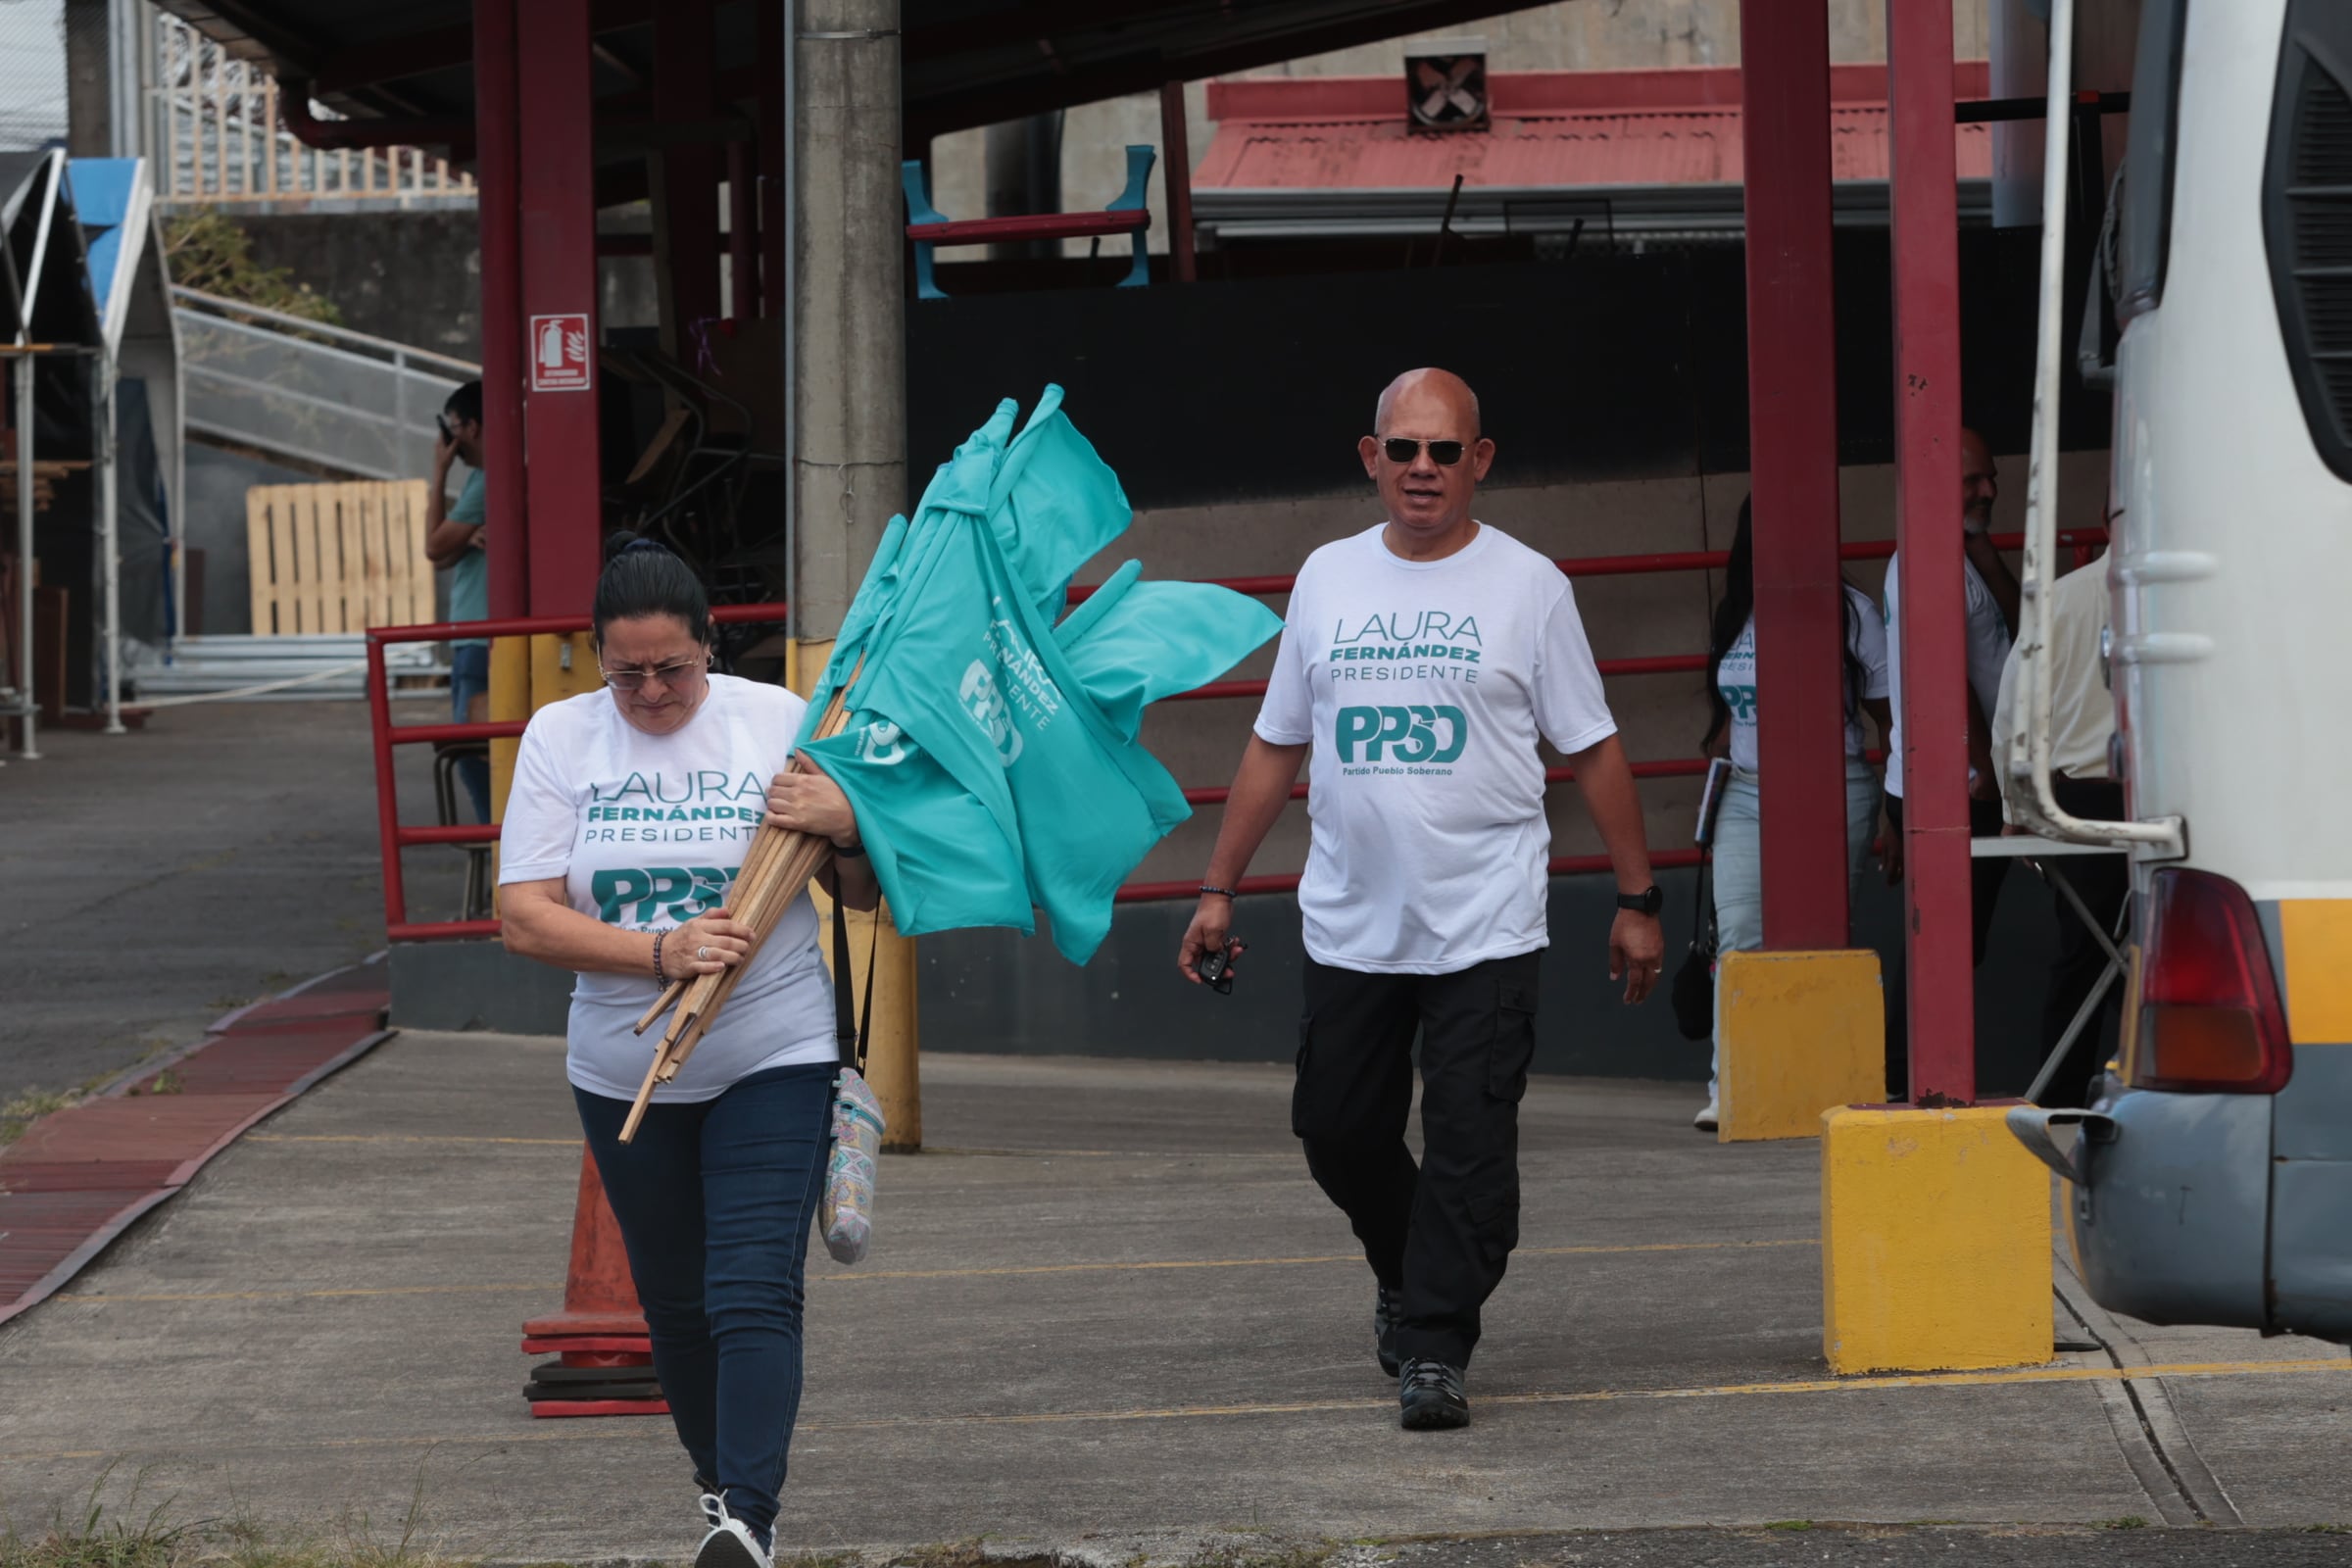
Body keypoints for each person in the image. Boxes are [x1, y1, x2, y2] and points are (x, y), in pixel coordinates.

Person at [1177, 368, 1664, 1434]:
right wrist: (1219, 886)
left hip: (1484, 920)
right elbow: (1274, 744)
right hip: (1352, 918)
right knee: (1336, 1128)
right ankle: (1409, 1264)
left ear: (1480, 460)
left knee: (1469, 1145)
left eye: (1446, 450)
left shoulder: (1528, 586)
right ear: (1371, 458)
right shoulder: (1327, 578)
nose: (1424, 469)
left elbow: (1593, 746)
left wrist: (1639, 896)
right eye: (1404, 449)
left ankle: (1436, 1344)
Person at [498, 538, 877, 1568]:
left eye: (675, 667)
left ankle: (748, 1519)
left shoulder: (778, 719)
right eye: (628, 673)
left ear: (711, 646)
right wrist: (658, 949)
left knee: (752, 1287)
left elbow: (860, 896)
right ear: (597, 658)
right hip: (622, 1070)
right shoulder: (561, 737)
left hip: (776, 1047)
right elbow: (524, 918)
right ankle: (720, 1488)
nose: (654, 690)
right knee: (675, 1300)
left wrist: (847, 825)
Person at [1693, 499, 1892, 1132]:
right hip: (1747, 790)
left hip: (1837, 785)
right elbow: (1730, 718)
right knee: (1738, 939)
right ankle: (1732, 1088)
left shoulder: (1851, 611)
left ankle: (1820, 1084)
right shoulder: (1736, 614)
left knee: (1824, 937)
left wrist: (1897, 810)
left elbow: (1889, 718)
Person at [1881, 426, 2021, 967]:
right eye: (1971, 481)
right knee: (1947, 953)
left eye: (1991, 479)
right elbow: (1941, 673)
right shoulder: (1927, 563)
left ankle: (1904, 1054)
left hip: (1959, 780)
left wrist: (1984, 552)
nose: (1988, 490)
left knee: (1954, 947)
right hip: (1961, 786)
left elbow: (2021, 629)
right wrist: (1984, 767)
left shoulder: (1956, 553)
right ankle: (1898, 1057)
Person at [1991, 555, 2125, 1108]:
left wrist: (2014, 804)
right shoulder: (2194, 585)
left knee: (2084, 947)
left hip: (2073, 797)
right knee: (2153, 942)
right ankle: (2157, 1078)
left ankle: (2062, 1091)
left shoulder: (2060, 599)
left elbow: (2013, 712)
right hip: (2164, 791)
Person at [422, 381, 492, 821]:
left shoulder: (487, 481)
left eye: (454, 431)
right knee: (474, 746)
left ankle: (494, 834)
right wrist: (466, 537)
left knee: (469, 749)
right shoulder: (482, 482)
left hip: (477, 634)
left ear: (473, 426)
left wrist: (439, 472)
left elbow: (432, 546)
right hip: (473, 631)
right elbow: (444, 555)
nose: (451, 444)